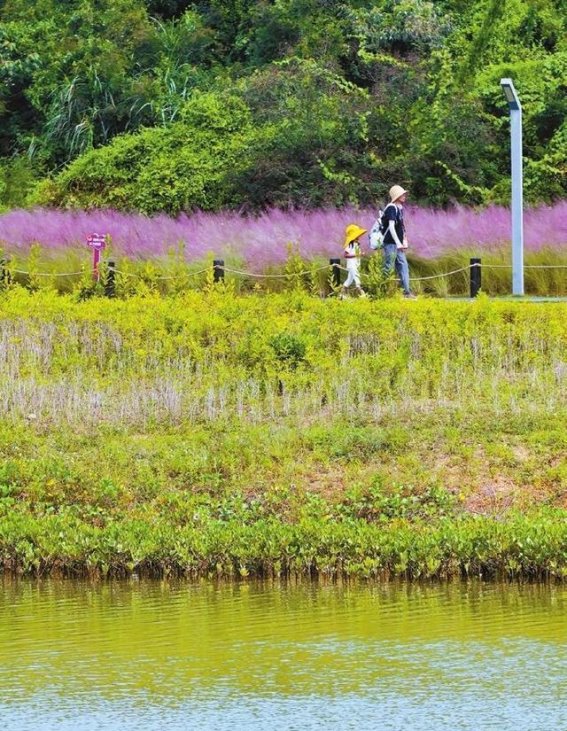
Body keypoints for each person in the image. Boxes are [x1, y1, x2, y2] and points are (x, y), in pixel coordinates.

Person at [382, 185, 416, 298]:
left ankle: (406, 292)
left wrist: (403, 241)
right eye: (402, 194)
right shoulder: (391, 208)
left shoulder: (400, 208)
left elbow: (401, 227)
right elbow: (391, 227)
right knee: (389, 267)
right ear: (396, 196)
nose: (405, 196)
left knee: (403, 266)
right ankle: (383, 292)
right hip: (391, 243)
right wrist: (398, 243)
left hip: (398, 244)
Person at [341, 224, 367, 298]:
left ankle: (342, 293)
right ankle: (362, 294)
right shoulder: (350, 245)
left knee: (349, 279)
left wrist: (360, 254)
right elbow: (345, 255)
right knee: (357, 277)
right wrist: (357, 255)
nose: (359, 236)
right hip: (352, 265)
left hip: (356, 264)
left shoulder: (357, 244)